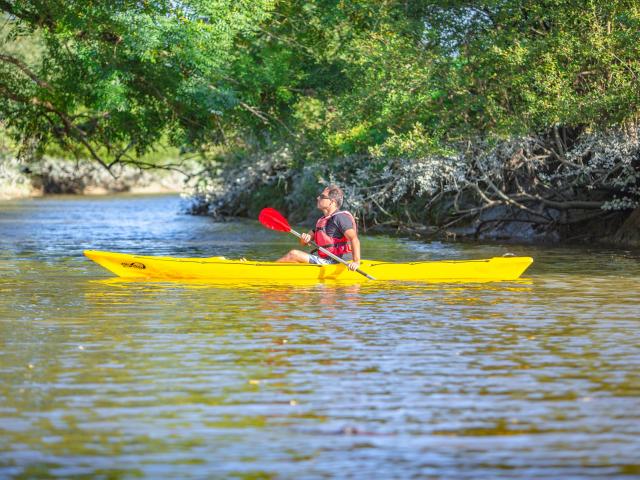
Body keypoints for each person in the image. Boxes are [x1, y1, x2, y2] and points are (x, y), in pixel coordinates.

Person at [276, 185, 361, 271]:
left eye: (322, 196)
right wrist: (305, 238)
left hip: (339, 262)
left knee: (293, 254)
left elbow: (354, 239)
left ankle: (267, 272)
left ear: (332, 202)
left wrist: (356, 262)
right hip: (326, 260)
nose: (318, 198)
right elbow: (303, 243)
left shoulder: (340, 218)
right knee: (293, 259)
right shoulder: (322, 220)